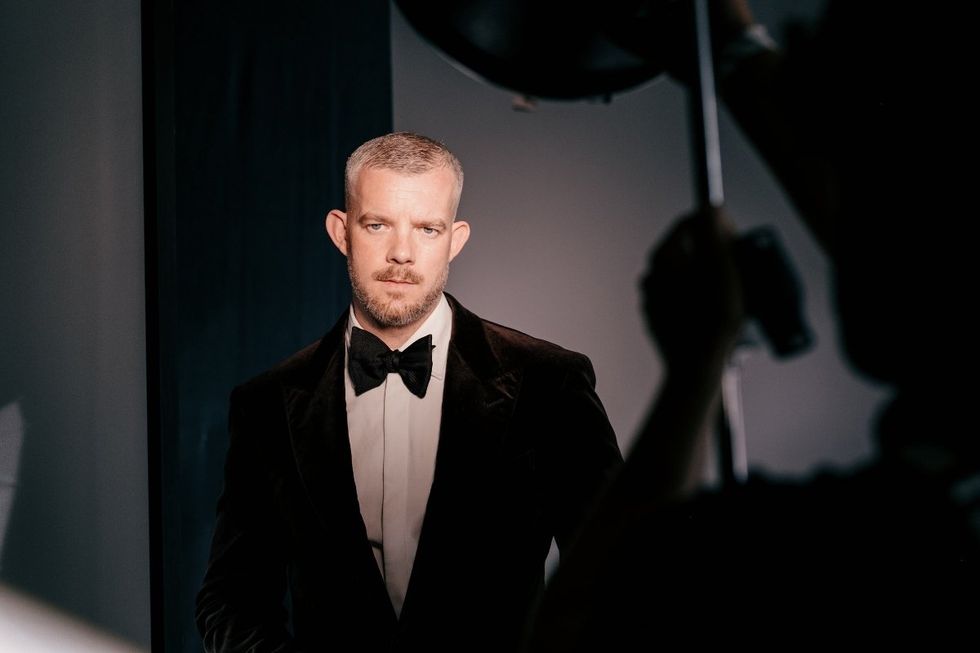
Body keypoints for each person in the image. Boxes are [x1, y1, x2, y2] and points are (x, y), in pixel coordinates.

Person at [524, 0, 980, 648]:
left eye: (869, 187)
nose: (852, 243)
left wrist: (694, 371)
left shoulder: (887, 549)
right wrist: (735, 55)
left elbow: (582, 628)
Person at [195, 131, 622, 652]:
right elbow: (230, 602)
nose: (402, 253)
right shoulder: (266, 404)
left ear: (455, 239)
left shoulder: (549, 384)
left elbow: (617, 582)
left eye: (427, 228)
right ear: (342, 231)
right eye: (378, 225)